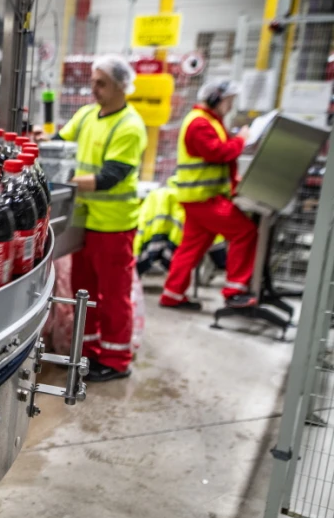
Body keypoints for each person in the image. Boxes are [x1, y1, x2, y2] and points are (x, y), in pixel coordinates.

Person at [55, 55, 147, 382]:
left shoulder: (130, 127)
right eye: (93, 81)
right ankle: (90, 351)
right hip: (84, 221)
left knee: (113, 296)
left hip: (114, 224)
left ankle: (116, 359)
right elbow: (59, 144)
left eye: (101, 83)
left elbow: (109, 177)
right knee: (85, 291)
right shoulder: (86, 115)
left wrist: (61, 179)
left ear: (122, 86)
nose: (93, 89)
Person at [159, 79, 256, 311]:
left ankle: (172, 295)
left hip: (201, 198)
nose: (230, 106)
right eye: (229, 101)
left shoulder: (209, 120)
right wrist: (241, 140)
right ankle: (235, 291)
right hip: (203, 199)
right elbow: (217, 153)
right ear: (215, 98)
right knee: (245, 232)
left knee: (191, 247)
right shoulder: (200, 123)